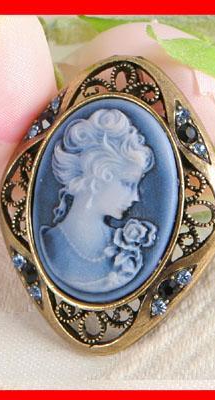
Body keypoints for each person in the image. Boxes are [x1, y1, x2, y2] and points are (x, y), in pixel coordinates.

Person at [39, 108, 157, 293]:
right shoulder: (47, 245)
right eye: (128, 183)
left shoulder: (125, 250)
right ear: (98, 174)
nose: (135, 197)